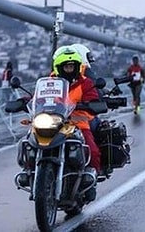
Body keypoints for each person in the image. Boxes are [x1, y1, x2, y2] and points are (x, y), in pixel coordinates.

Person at [52, 46, 101, 199]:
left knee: (91, 149)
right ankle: (30, 170)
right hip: (54, 121)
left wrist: (91, 103)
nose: (69, 68)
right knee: (30, 139)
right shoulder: (51, 81)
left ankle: (91, 180)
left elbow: (93, 96)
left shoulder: (85, 83)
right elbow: (38, 97)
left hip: (78, 121)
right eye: (66, 66)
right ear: (59, 67)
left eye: (71, 66)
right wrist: (24, 101)